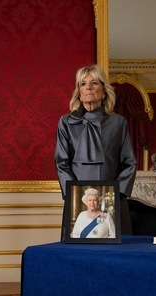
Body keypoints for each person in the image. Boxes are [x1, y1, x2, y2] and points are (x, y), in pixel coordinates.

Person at [55, 64, 137, 238]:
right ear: (79, 91)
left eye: (94, 83)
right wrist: (73, 194)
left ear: (104, 90)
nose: (88, 88)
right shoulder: (65, 122)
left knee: (115, 255)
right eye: (83, 84)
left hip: (114, 198)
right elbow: (62, 163)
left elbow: (129, 162)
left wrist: (116, 194)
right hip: (78, 199)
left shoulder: (118, 122)